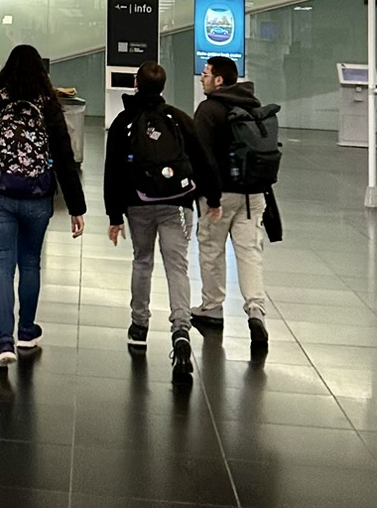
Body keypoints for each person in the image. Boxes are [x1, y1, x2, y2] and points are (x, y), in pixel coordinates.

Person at [0, 45, 86, 370]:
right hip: (37, 196)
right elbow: (65, 157)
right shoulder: (49, 106)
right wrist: (76, 207)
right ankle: (26, 332)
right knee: (30, 263)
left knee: (2, 265)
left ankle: (3, 341)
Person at [104, 62, 221, 385]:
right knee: (177, 267)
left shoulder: (123, 122)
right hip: (177, 204)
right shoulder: (178, 119)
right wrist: (213, 198)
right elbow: (202, 159)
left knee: (142, 261)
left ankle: (139, 324)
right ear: (163, 86)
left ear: (137, 84)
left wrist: (114, 216)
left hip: (137, 204)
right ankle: (180, 330)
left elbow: (111, 171)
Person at [191, 55, 270, 352]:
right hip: (254, 194)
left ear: (219, 80)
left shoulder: (209, 110)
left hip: (220, 194)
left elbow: (202, 156)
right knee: (249, 252)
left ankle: (212, 306)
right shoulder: (252, 104)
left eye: (207, 73)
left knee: (211, 249)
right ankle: (255, 310)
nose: (202, 77)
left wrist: (209, 198)